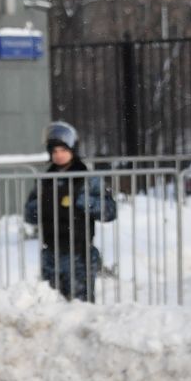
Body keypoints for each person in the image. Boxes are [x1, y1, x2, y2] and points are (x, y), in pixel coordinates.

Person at [24, 121, 116, 301]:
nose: (58, 155)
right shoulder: (45, 180)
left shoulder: (87, 178)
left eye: (63, 150)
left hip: (79, 255)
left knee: (80, 308)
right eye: (55, 151)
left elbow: (110, 211)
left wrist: (79, 200)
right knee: (52, 308)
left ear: (72, 150)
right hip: (51, 255)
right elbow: (29, 214)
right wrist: (45, 203)